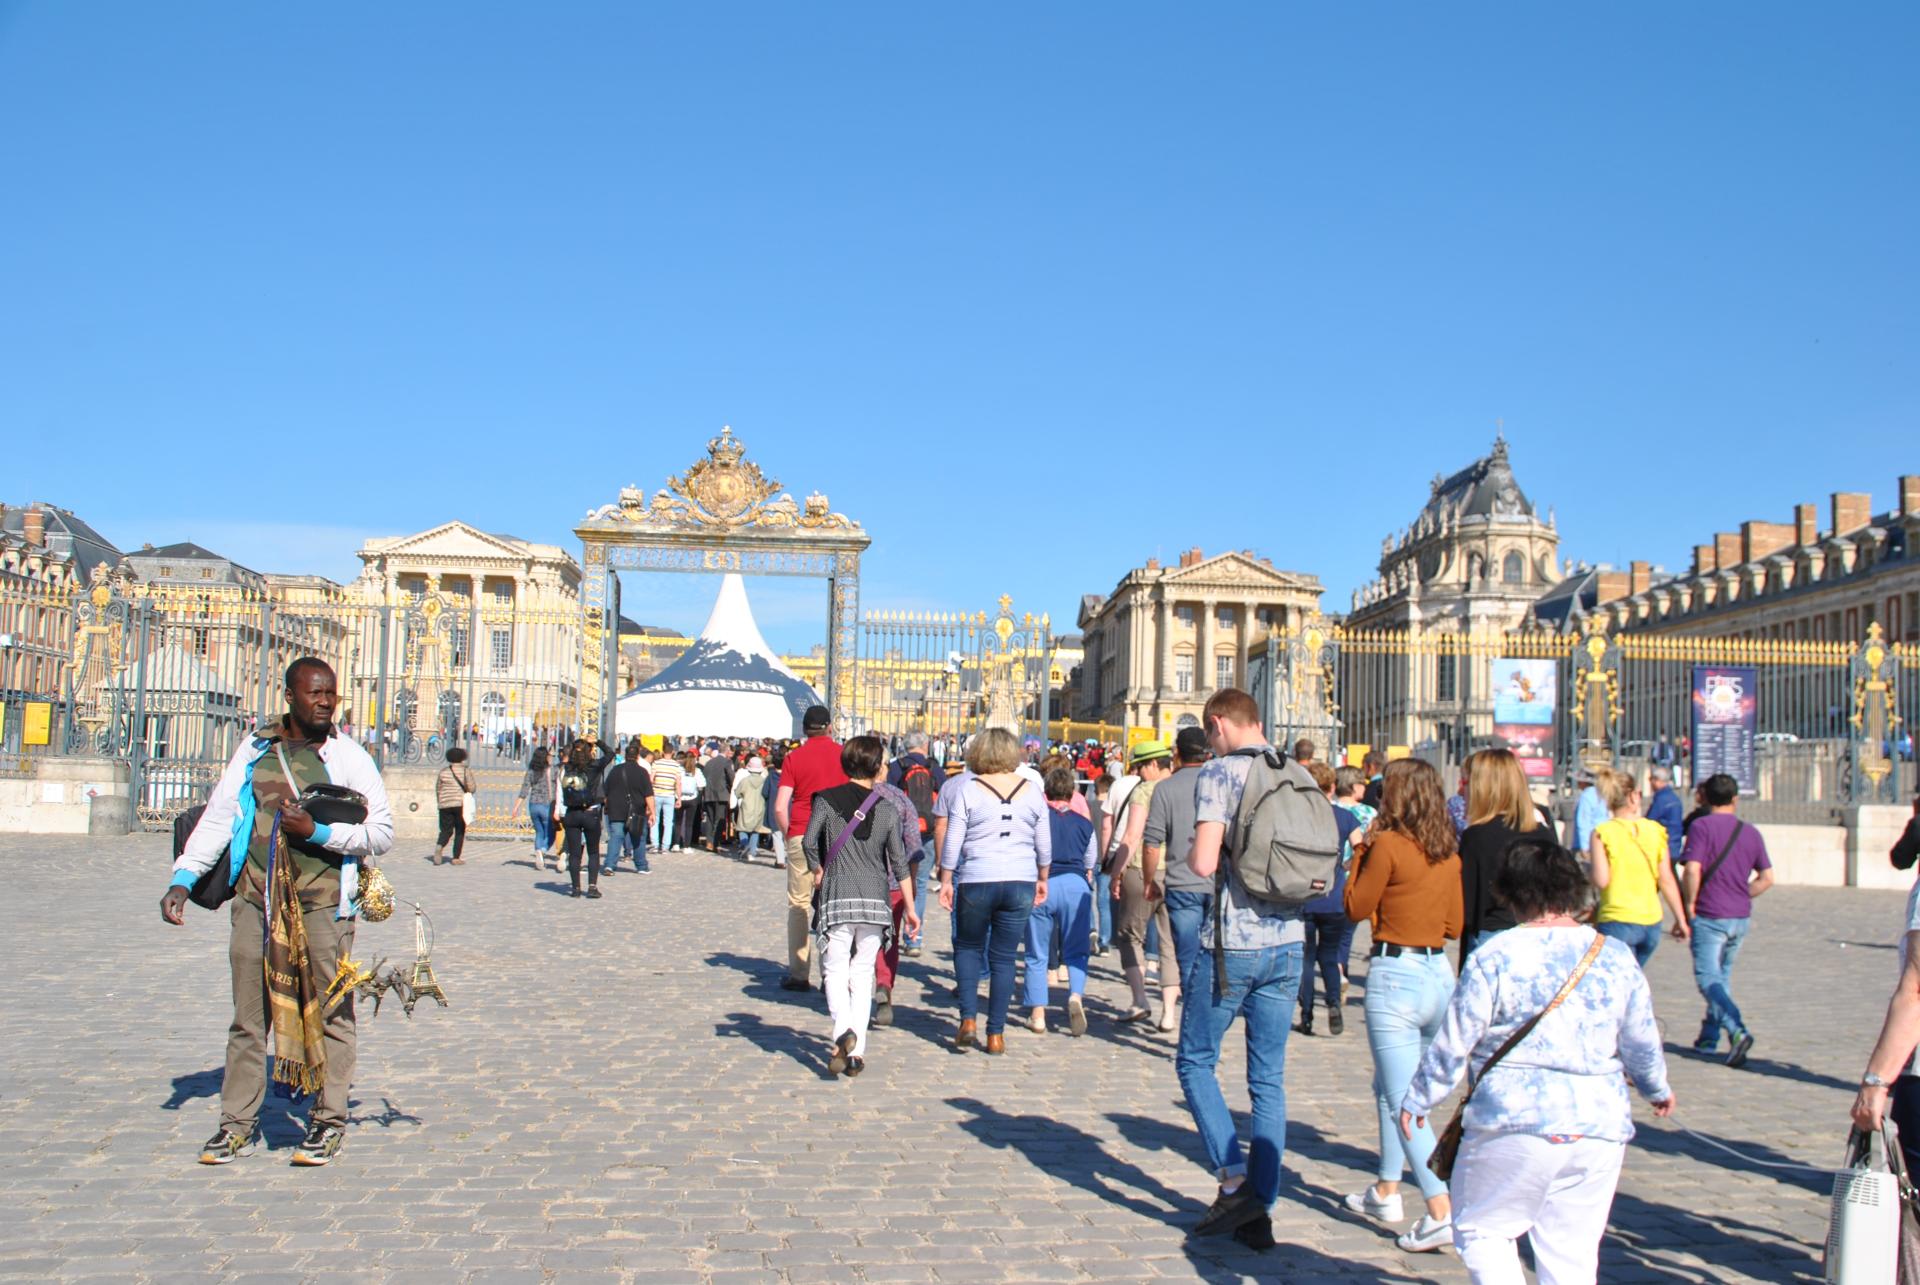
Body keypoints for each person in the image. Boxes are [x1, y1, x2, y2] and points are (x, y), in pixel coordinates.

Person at [1402, 837, 1674, 1283]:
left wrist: (1420, 1098)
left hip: (1513, 1118)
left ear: (1510, 892)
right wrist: (1656, 1089)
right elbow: (1641, 1041)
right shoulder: (1615, 956)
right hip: (1596, 1123)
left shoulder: (1496, 955)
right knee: (1572, 1254)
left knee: (1483, 1230)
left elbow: (1456, 1040)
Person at [160, 658, 394, 1167]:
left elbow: (382, 833)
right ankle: (236, 1124)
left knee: (332, 1013)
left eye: (331, 693)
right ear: (289, 695)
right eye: (315, 693)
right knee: (248, 1020)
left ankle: (329, 1120)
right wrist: (183, 878)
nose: (326, 701)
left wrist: (319, 833)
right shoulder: (256, 749)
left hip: (324, 906)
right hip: (255, 903)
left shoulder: (349, 757)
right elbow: (221, 817)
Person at [1177, 688, 1324, 1251]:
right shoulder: (1298, 772)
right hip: (1290, 941)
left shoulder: (1221, 774)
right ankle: (1260, 1208)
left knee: (1195, 1061)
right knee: (1267, 1081)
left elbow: (1205, 862)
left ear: (1217, 725)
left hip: (1232, 941)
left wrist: (1196, 851)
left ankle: (1235, 1179)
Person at [1342, 757, 1464, 1253]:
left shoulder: (1387, 844)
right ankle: (1387, 1190)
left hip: (1396, 972)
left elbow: (1355, 906)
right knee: (1391, 1088)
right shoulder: (1448, 851)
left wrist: (1357, 854)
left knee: (1403, 1104)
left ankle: (1440, 1209)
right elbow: (1455, 926)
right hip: (1439, 972)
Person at [803, 735, 919, 1077]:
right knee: (863, 971)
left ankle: (843, 1032)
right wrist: (910, 908)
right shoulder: (886, 809)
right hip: (875, 899)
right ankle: (858, 1052)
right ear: (877, 766)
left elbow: (810, 841)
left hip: (838, 894)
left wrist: (818, 868)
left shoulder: (825, 800)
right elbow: (900, 864)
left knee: (835, 969)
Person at [939, 727, 1051, 1054]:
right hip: (1020, 880)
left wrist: (947, 878)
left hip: (976, 878)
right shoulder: (1032, 791)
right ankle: (996, 1034)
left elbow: (953, 841)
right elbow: (1044, 844)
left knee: (969, 947)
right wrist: (1043, 876)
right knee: (1003, 958)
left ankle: (969, 1018)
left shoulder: (968, 790)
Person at [1679, 772, 1773, 1066]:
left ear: (1705, 797)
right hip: (1739, 915)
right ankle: (1709, 1037)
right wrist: (1742, 894)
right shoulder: (1751, 832)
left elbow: (1692, 869)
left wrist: (1690, 903)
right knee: (1722, 979)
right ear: (1735, 799)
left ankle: (1736, 1030)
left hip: (1710, 913)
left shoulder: (1701, 826)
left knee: (1708, 978)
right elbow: (1767, 878)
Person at [774, 706, 848, 992]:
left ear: (804, 729)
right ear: (829, 727)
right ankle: (831, 972)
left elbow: (781, 806)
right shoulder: (843, 755)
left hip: (802, 831)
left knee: (799, 904)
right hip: (836, 835)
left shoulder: (794, 758)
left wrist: (790, 832)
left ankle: (798, 972)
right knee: (834, 904)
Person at [1023, 760, 1098, 1035]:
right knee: (1076, 950)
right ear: (1072, 793)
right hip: (1075, 884)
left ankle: (1037, 1014)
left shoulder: (1038, 817)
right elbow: (1091, 859)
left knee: (1037, 952)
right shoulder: (1084, 823)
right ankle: (1075, 996)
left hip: (1043, 884)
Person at [1587, 768, 1688, 967]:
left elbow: (1601, 879)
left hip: (1617, 919)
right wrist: (1681, 919)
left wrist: (1588, 871)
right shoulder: (1655, 830)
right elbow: (1666, 879)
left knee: (1618, 985)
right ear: (1633, 796)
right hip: (1651, 921)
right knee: (1633, 980)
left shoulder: (1603, 832)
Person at [1458, 749, 1548, 961]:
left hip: (1492, 935)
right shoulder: (1543, 832)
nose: (1464, 790)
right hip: (1537, 935)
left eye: (1468, 783)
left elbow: (1467, 905)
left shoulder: (1477, 836)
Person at [1146, 726, 1213, 1013]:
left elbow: (1151, 843)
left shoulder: (1166, 788)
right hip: (1218, 884)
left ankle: (1194, 1018)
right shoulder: (1221, 784)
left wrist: (1150, 881)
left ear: (1177, 754)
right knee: (1215, 957)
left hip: (1182, 883)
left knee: (1186, 958)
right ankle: (1209, 1014)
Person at [1111, 739, 1175, 1026]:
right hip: (1176, 872)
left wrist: (1116, 872)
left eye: (1139, 767)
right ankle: (1170, 1013)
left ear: (1152, 764)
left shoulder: (1145, 790)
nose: (1137, 774)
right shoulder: (1182, 788)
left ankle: (1140, 999)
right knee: (1169, 943)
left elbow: (1132, 835)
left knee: (1129, 935)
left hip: (1143, 869)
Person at [1295, 761, 1360, 1037]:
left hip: (1305, 897)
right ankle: (1333, 1002)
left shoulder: (1299, 816)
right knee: (1329, 956)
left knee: (1306, 959)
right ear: (1332, 787)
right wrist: (1347, 868)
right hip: (1334, 897)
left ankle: (1306, 1013)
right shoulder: (1345, 818)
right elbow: (1361, 848)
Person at [888, 731, 943, 957]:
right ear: (925, 745)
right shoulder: (934, 768)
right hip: (928, 832)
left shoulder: (895, 767)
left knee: (895, 881)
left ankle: (889, 930)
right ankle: (913, 939)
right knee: (919, 884)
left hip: (900, 832)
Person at [558, 737, 614, 898]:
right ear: (589, 752)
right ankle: (592, 887)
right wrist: (597, 741)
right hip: (591, 812)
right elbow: (610, 753)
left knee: (575, 854)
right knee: (593, 852)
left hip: (572, 813)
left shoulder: (567, 767)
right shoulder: (595, 766)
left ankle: (575, 888)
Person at [602, 740, 655, 875]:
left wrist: (607, 806)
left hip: (616, 809)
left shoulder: (615, 770)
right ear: (638, 756)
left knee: (616, 837)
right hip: (637, 810)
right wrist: (652, 812)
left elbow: (606, 791)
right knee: (638, 838)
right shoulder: (642, 772)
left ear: (625, 756)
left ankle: (609, 865)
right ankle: (641, 866)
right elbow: (648, 794)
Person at [511, 746, 557, 867]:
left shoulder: (531, 771)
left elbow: (524, 791)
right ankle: (543, 850)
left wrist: (516, 808)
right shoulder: (551, 770)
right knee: (551, 832)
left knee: (539, 832)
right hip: (547, 804)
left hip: (533, 805)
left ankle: (538, 850)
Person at [432, 747, 475, 866]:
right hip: (460, 804)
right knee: (460, 831)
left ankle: (440, 845)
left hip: (445, 804)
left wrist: (440, 802)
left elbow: (438, 789)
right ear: (462, 757)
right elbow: (472, 787)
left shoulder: (443, 772)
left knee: (446, 830)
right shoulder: (465, 771)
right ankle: (456, 857)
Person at [1645, 765, 1685, 873]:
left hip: (1664, 846)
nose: (1650, 783)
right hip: (1675, 844)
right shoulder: (1674, 798)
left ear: (1658, 780)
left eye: (1651, 779)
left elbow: (1649, 821)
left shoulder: (1662, 799)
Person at [731, 755, 772, 861]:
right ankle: (752, 852)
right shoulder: (764, 780)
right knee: (755, 830)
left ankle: (745, 845)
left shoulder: (745, 780)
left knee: (742, 828)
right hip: (760, 807)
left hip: (746, 807)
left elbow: (737, 792)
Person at [699, 744, 735, 852]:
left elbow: (704, 776)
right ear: (727, 751)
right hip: (721, 794)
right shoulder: (727, 762)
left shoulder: (709, 762)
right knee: (719, 819)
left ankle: (709, 842)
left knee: (710, 818)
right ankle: (715, 843)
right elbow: (731, 777)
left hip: (709, 793)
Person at [648, 747, 683, 855]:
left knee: (655, 819)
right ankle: (665, 847)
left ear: (663, 752)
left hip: (656, 794)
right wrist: (679, 798)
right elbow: (678, 783)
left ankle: (654, 845)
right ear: (672, 752)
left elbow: (651, 779)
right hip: (669, 795)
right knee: (668, 822)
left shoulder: (656, 763)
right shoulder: (676, 765)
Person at [1571, 767, 1608, 854]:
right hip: (1601, 841)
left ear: (1583, 782)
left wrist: (1584, 847)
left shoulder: (1586, 796)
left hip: (1586, 845)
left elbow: (1583, 822)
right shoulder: (1601, 794)